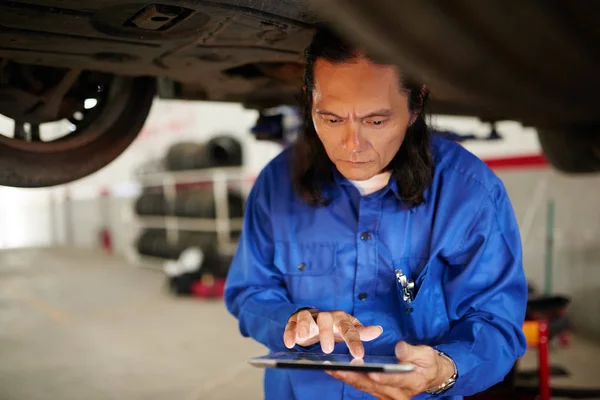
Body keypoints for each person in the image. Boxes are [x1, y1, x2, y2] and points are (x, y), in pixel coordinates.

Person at [224, 26, 528, 400]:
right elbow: (249, 290)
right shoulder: (277, 182)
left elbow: (498, 323)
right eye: (332, 119)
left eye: (376, 121)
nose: (352, 145)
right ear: (309, 100)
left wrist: (444, 370)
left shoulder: (470, 192)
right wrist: (293, 318)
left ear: (416, 103)